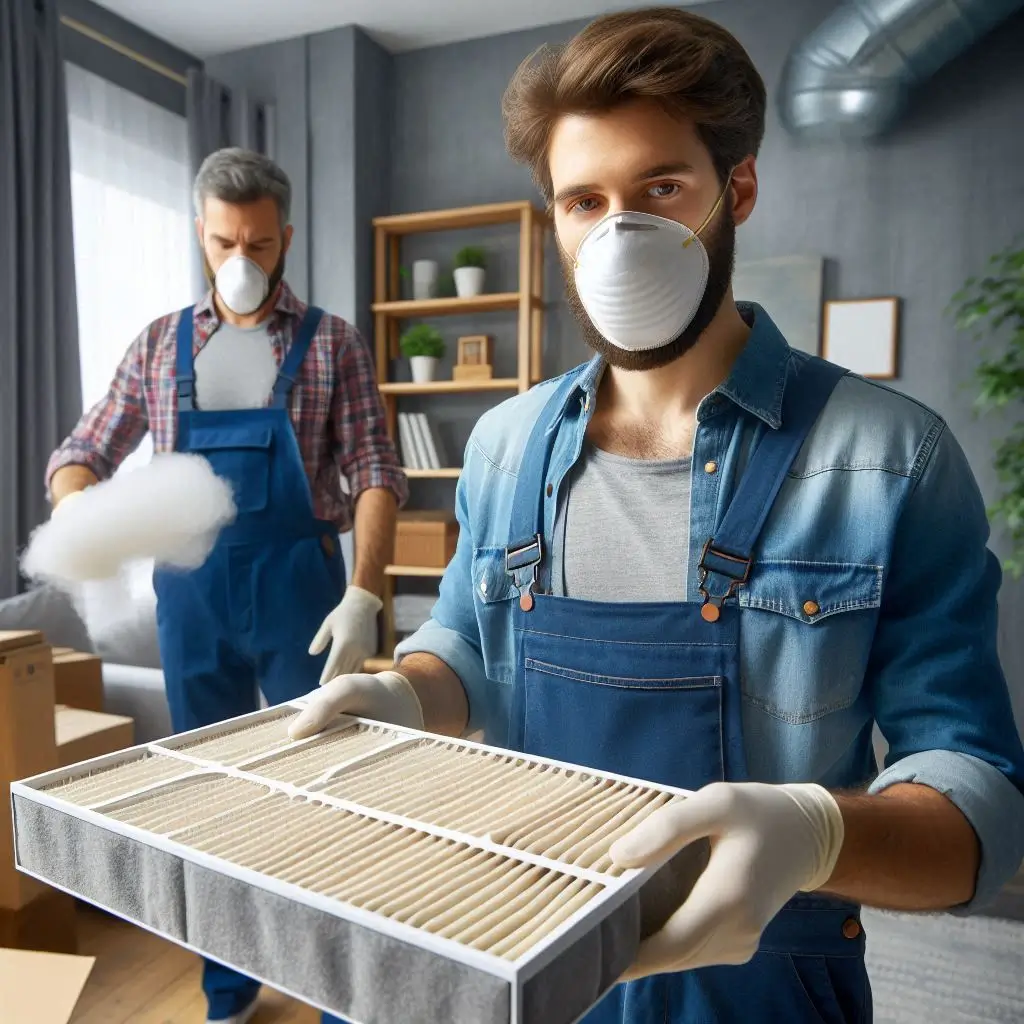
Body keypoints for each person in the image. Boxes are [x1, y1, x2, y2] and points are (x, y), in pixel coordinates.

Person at [290, 8, 1024, 1023]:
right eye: (584, 200)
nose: (618, 232)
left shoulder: (888, 461)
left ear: (739, 190)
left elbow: (979, 805)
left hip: (766, 987)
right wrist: (404, 696)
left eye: (659, 190)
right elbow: (466, 646)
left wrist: (817, 836)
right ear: (552, 218)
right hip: (533, 957)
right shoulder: (504, 448)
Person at [46, 147, 406, 1024]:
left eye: (257, 243)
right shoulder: (157, 345)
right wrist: (85, 515)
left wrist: (364, 592)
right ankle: (228, 988)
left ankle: (337, 989)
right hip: (192, 596)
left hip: (303, 590)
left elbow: (375, 472)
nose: (239, 261)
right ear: (200, 235)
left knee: (331, 787)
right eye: (221, 243)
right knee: (210, 798)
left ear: (285, 236)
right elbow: (79, 453)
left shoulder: (331, 343)